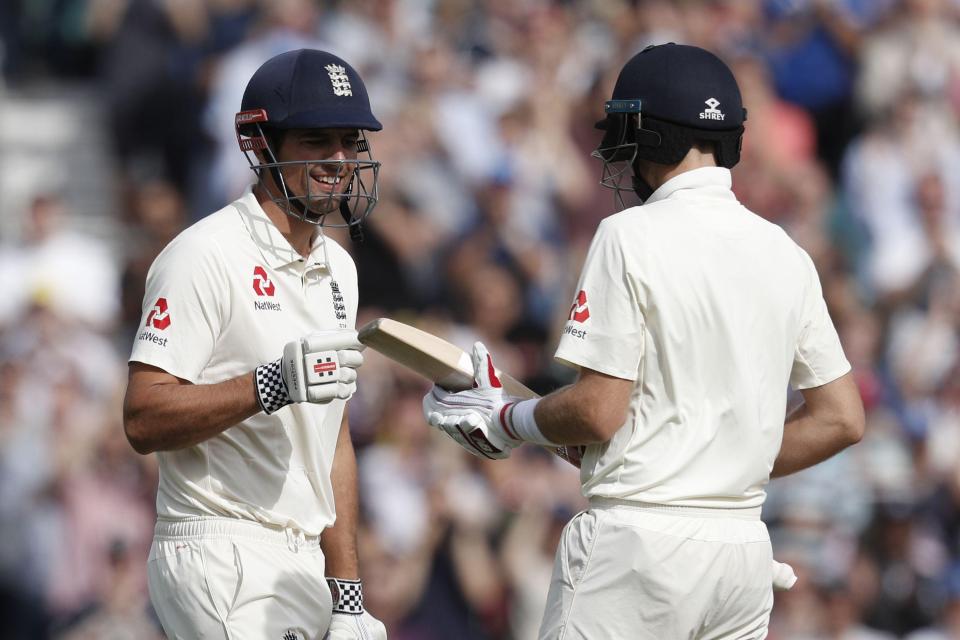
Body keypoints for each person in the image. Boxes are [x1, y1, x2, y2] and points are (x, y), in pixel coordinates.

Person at [422, 43, 865, 639]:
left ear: (654, 136)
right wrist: (717, 467)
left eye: (627, 130)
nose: (617, 149)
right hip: (740, 552)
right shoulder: (786, 252)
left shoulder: (628, 235)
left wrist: (508, 420)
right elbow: (841, 418)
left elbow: (598, 411)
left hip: (637, 548)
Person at [123, 49, 387, 640]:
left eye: (351, 139)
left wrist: (347, 594)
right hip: (221, 547)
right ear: (261, 145)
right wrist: (272, 385)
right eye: (317, 140)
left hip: (303, 563)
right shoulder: (203, 255)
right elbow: (142, 417)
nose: (340, 160)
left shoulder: (338, 267)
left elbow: (332, 435)